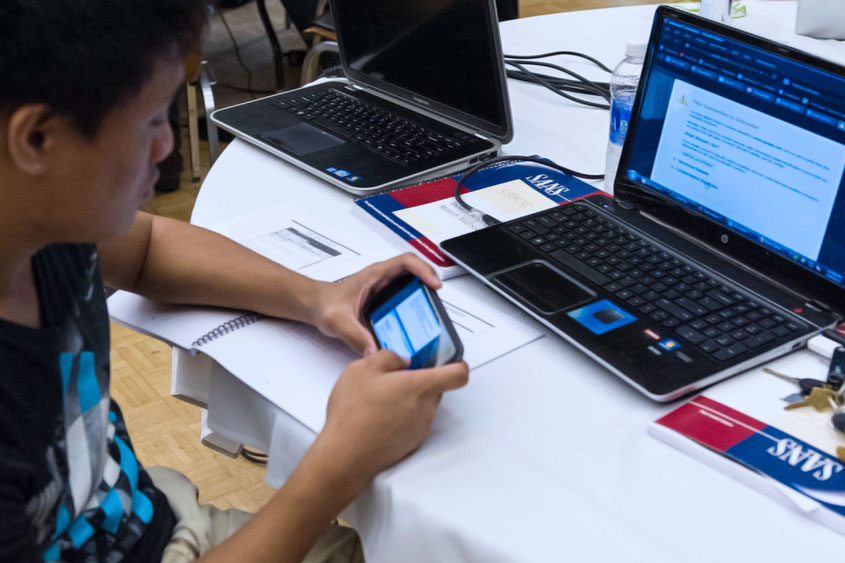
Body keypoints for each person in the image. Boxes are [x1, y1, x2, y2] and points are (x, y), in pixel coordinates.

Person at [0, 1, 469, 562]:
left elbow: (147, 250)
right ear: (35, 139)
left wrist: (319, 297)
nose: (167, 149)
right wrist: (340, 463)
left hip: (141, 517)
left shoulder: (42, 216)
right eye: (151, 121)